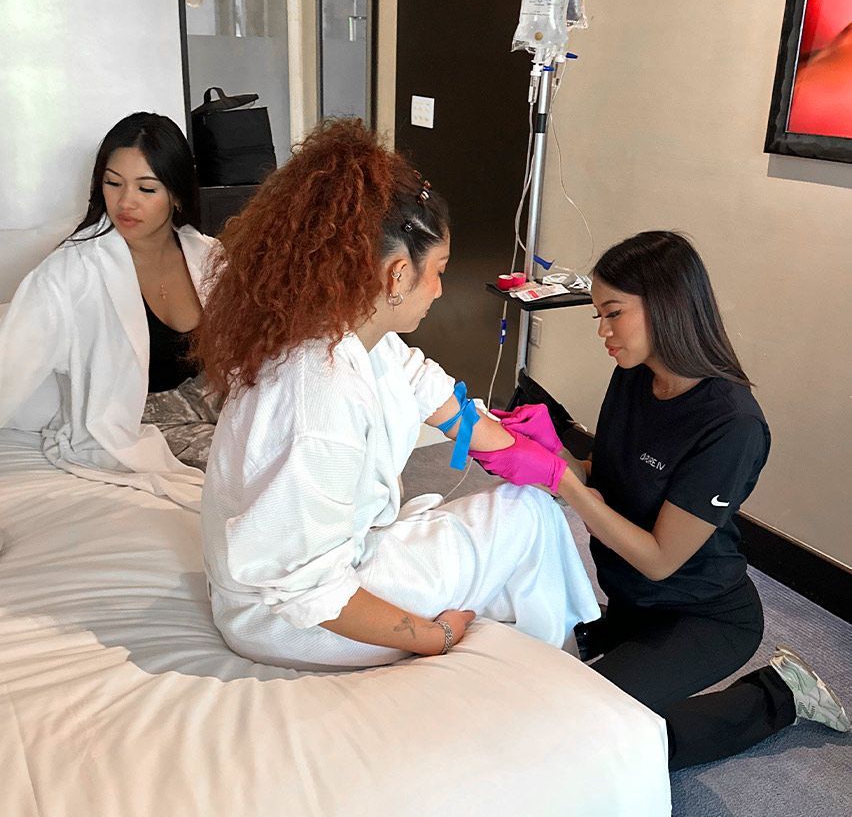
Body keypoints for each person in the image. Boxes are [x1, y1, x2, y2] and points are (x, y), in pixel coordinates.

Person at [195, 119, 599, 670]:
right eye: (438, 271)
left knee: (521, 514)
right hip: (288, 622)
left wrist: (504, 445)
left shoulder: (341, 331)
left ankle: (538, 644)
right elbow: (307, 590)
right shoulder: (320, 396)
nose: (439, 289)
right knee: (530, 521)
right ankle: (537, 671)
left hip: (308, 582)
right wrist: (436, 637)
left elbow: (423, 385)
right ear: (395, 273)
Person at [474, 231, 850, 770]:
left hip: (704, 615)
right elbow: (603, 479)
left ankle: (782, 695)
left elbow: (658, 558)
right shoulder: (634, 375)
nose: (602, 331)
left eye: (613, 313)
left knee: (582, 736)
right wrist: (538, 448)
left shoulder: (732, 425)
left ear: (666, 306)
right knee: (515, 665)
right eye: (597, 316)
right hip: (633, 603)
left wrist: (563, 482)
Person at [0, 112, 218, 509]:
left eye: (146, 189)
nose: (125, 202)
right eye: (113, 183)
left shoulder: (209, 255)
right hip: (145, 417)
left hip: (218, 399)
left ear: (177, 194)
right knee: (252, 464)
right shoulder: (73, 272)